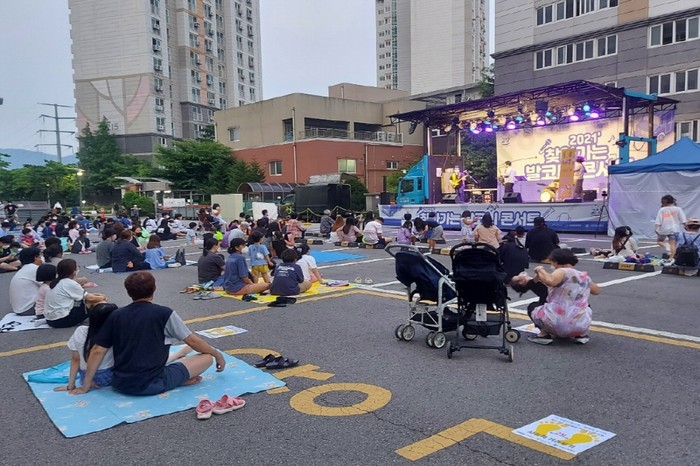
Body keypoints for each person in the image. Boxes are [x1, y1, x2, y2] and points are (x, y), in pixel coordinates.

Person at [70, 272, 225, 396]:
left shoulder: (116, 315)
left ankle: (178, 377)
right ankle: (178, 380)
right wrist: (217, 354)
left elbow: (97, 350)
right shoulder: (164, 313)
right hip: (152, 383)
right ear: (154, 288)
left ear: (128, 292)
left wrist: (86, 385)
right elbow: (193, 341)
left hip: (120, 383)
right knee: (206, 358)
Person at [512, 249, 600, 345]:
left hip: (556, 322)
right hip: (580, 325)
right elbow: (596, 291)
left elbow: (550, 281)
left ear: (556, 261)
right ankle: (581, 335)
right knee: (586, 306)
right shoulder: (584, 276)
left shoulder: (561, 271)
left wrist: (540, 269)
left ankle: (543, 335)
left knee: (532, 306)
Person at [56, 302, 118, 391]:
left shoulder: (80, 331)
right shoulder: (114, 334)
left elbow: (75, 359)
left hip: (83, 375)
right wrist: (86, 386)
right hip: (106, 376)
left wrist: (70, 386)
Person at [44, 259, 105, 328]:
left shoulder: (57, 282)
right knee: (94, 302)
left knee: (90, 301)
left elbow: (85, 295)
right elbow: (90, 298)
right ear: (73, 272)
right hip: (61, 320)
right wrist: (103, 297)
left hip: (51, 319)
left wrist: (98, 295)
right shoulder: (69, 283)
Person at [9, 248, 43, 316]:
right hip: (29, 308)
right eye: (40, 256)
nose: (42, 259)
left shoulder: (25, 269)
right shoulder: (34, 269)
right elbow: (51, 285)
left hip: (20, 309)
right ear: (36, 257)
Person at [654, 194, 687, 260]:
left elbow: (658, 221)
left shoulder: (662, 209)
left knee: (659, 241)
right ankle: (671, 258)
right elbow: (683, 220)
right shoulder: (678, 209)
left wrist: (656, 228)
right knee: (673, 245)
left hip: (663, 229)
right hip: (675, 229)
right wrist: (686, 226)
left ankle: (665, 245)